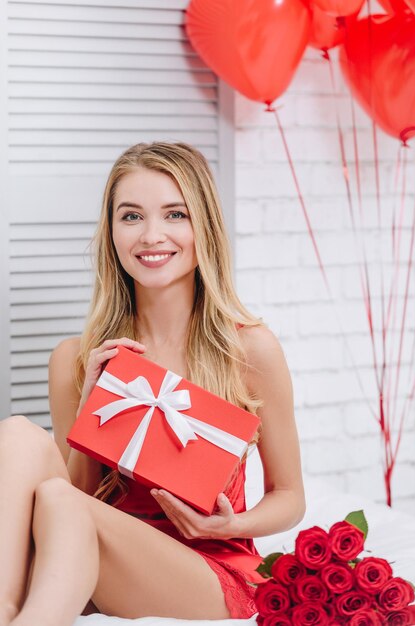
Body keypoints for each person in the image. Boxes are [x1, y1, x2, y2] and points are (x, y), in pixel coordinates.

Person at [0, 142, 305, 626]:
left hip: (208, 568)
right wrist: (91, 403)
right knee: (17, 432)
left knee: (59, 501)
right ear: (112, 233)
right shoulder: (75, 360)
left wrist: (232, 524)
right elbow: (73, 493)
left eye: (175, 214)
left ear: (202, 226)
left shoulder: (248, 349)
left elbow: (290, 496)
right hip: (98, 556)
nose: (151, 235)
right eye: (131, 216)